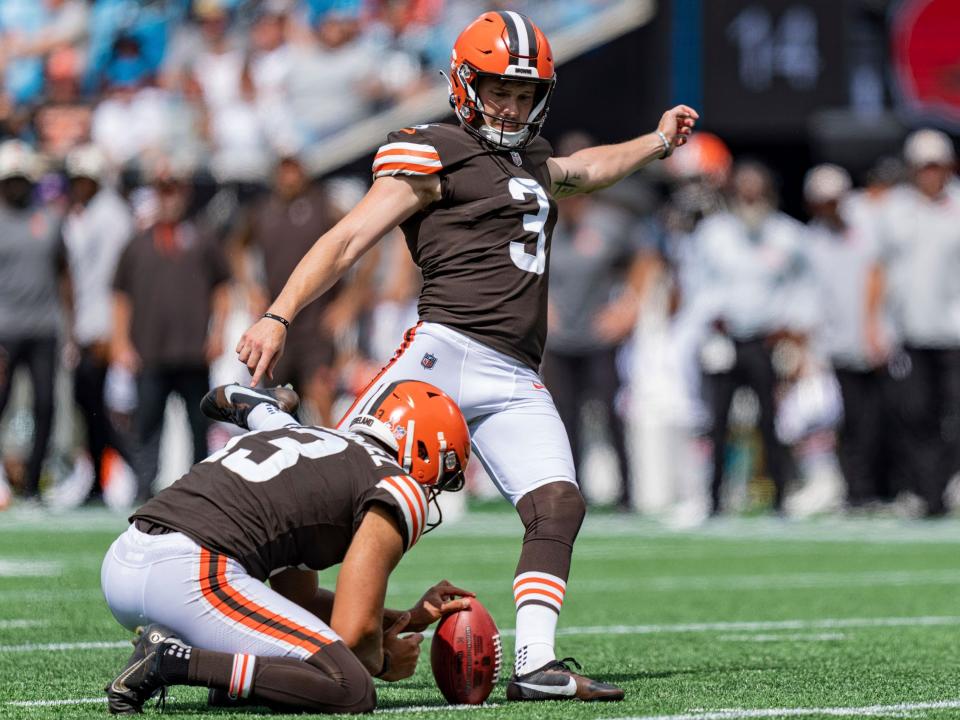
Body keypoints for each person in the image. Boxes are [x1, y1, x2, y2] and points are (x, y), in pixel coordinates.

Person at [235, 10, 696, 701]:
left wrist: (657, 142)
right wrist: (278, 313)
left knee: (558, 504)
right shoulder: (433, 150)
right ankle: (262, 624)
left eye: (523, 93)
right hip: (443, 355)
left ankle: (536, 664)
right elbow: (349, 238)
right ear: (463, 85)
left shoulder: (532, 160)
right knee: (340, 495)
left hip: (514, 372)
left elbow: (586, 169)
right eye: (498, 91)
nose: (511, 106)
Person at [101, 379, 472, 714]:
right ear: (420, 451)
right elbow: (355, 634)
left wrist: (407, 617)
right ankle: (171, 661)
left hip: (126, 560)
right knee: (351, 687)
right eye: (438, 479)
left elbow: (301, 602)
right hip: (191, 573)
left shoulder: (300, 435)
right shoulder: (397, 485)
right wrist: (385, 662)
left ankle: (230, 680)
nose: (430, 492)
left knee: (312, 659)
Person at [111, 161, 231, 502]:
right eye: (163, 191)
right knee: (147, 426)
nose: (169, 199)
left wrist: (218, 332)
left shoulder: (203, 238)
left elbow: (222, 288)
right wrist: (120, 341)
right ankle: (142, 489)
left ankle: (200, 493)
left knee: (198, 425)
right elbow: (120, 295)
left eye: (174, 190)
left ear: (185, 193)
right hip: (150, 350)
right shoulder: (137, 243)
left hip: (193, 351)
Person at [695, 161, 807, 515]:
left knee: (771, 422)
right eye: (744, 188)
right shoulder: (714, 233)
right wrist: (709, 322)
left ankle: (781, 497)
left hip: (766, 340)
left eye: (756, 188)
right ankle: (713, 498)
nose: (750, 195)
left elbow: (802, 285)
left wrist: (792, 328)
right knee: (718, 422)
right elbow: (697, 283)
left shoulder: (786, 233)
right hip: (724, 340)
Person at [874, 129, 960, 517]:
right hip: (910, 331)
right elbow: (877, 270)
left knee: (954, 414)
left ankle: (946, 483)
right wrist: (872, 323)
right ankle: (929, 493)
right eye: (923, 167)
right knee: (916, 414)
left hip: (955, 331)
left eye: (935, 166)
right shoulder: (894, 210)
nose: (930, 174)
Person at [61, 144, 135, 505]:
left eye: (85, 178)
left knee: (105, 408)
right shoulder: (86, 213)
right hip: (86, 324)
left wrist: (110, 330)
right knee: (87, 404)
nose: (80, 184)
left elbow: (117, 279)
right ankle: (100, 478)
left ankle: (132, 470)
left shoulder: (111, 215)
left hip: (104, 326)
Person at [0, 139, 63, 505]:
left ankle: (32, 483)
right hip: (4, 330)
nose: (18, 186)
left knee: (45, 405)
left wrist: (66, 324)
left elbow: (63, 273)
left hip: (43, 328)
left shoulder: (48, 218)